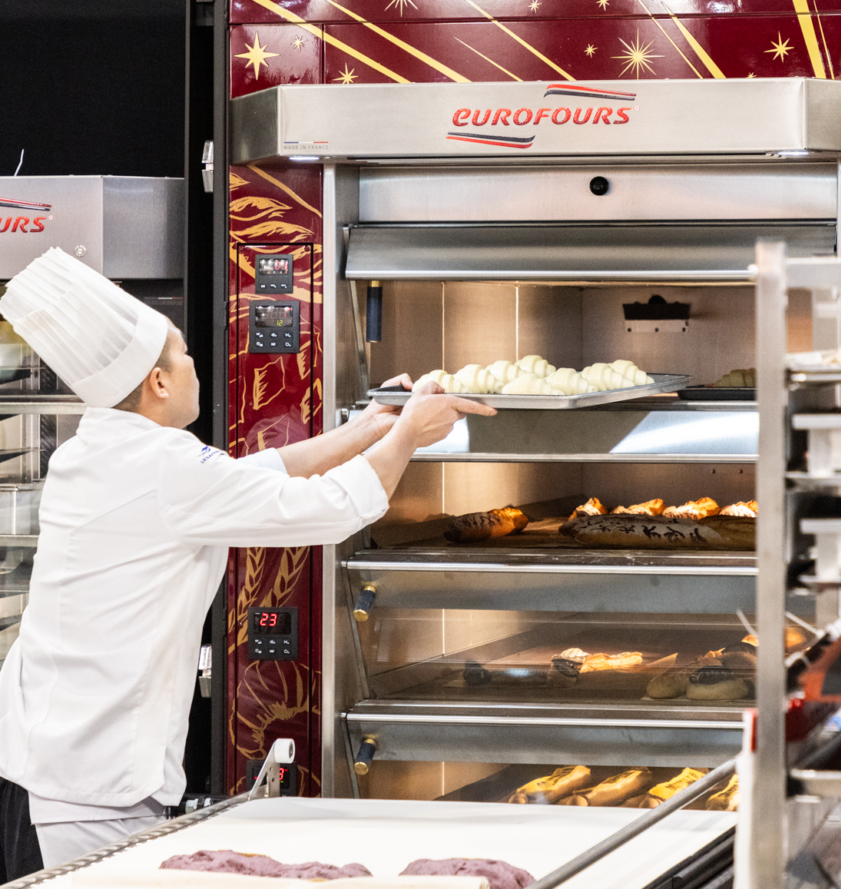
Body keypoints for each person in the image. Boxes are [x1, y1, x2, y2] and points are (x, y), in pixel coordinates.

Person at [0, 248, 496, 879]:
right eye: (181, 355)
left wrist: (372, 426)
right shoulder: (162, 466)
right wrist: (408, 437)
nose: (192, 366)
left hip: (58, 764)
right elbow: (329, 509)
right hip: (92, 782)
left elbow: (251, 476)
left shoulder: (102, 449)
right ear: (157, 382)